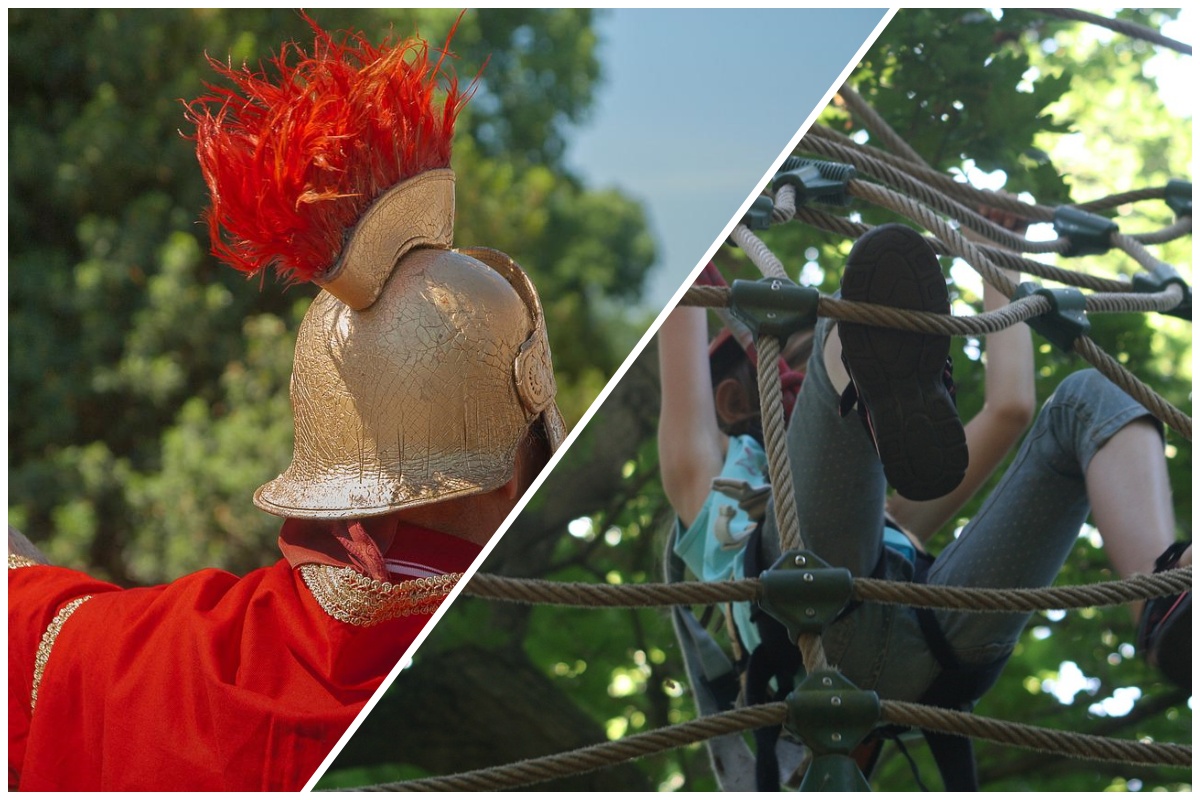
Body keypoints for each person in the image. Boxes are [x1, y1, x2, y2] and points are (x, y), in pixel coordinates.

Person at [8, 19, 565, 792]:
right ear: (511, 467)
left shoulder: (185, 659)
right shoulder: (535, 650)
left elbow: (40, 633)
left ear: (338, 478)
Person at [659, 223, 1190, 789]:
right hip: (811, 631)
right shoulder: (704, 477)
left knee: (1093, 397)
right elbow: (681, 321)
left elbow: (1010, 408)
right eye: (792, 348)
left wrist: (995, 253)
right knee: (850, 315)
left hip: (935, 641)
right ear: (735, 399)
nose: (800, 361)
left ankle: (1164, 604)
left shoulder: (889, 515)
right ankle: (862, 356)